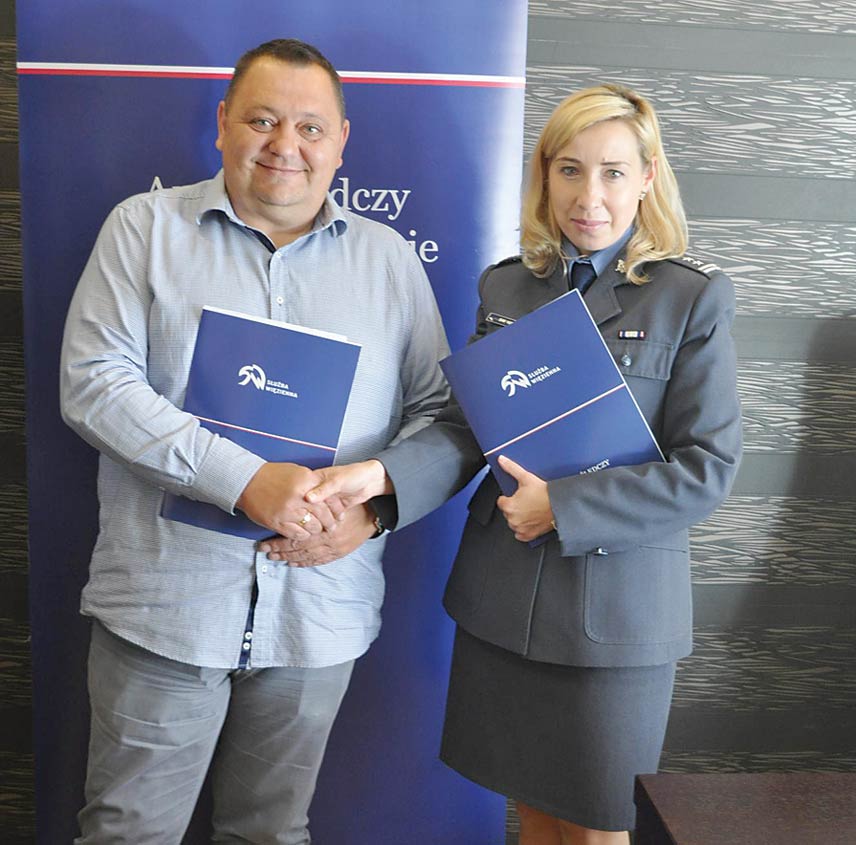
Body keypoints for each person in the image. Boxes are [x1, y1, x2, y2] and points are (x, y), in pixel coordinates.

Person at [264, 83, 743, 843]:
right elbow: (467, 427)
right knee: (534, 817)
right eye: (570, 169)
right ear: (544, 174)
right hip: (504, 600)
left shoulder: (688, 299)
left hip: (614, 615)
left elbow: (706, 467)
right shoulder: (508, 285)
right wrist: (380, 477)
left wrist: (564, 508)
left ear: (648, 178)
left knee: (595, 829)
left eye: (614, 172)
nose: (589, 196)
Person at [59, 38, 449, 843]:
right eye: (262, 120)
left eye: (310, 127)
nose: (285, 145)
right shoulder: (143, 230)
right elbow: (94, 382)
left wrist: (373, 511)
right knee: (127, 833)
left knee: (271, 833)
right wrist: (244, 479)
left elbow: (440, 415)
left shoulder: (390, 263)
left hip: (317, 615)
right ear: (223, 123)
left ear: (342, 142)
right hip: (164, 612)